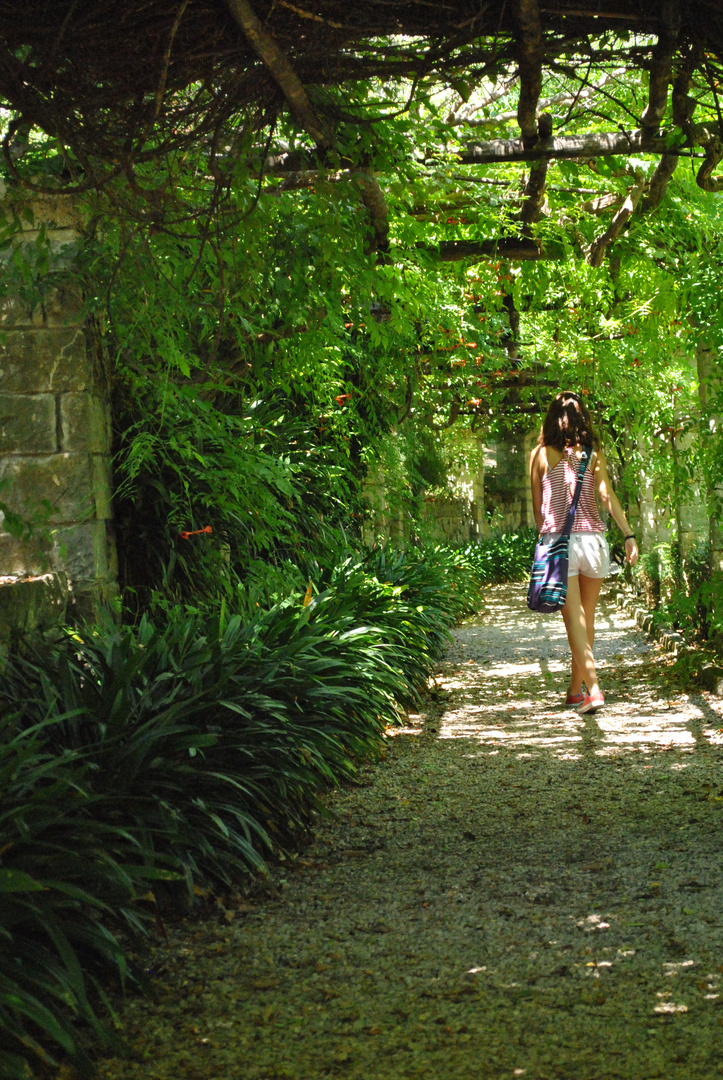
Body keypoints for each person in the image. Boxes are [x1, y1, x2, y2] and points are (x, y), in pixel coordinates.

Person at [529, 392, 639, 713]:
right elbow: (608, 496)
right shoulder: (593, 452)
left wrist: (547, 538)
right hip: (594, 543)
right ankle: (574, 690)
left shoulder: (539, 455)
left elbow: (539, 512)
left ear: (551, 419)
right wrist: (628, 535)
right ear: (582, 419)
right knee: (586, 620)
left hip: (559, 544)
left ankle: (594, 689)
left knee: (574, 622)